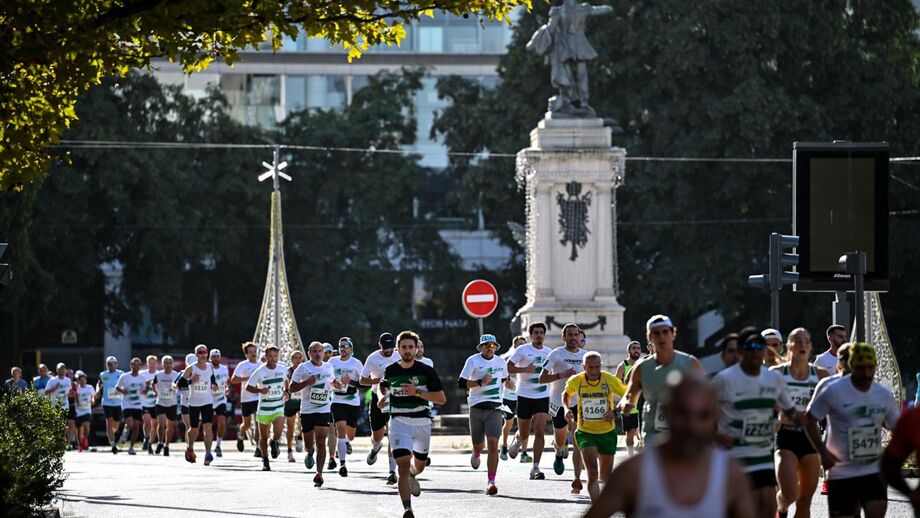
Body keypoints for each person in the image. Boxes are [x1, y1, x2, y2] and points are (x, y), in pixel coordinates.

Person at [584, 374, 754, 518]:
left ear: (716, 417)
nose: (692, 425)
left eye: (703, 415)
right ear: (666, 412)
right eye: (683, 413)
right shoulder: (633, 472)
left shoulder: (730, 475)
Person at [805, 343, 900, 518]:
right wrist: (823, 453)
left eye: (870, 368)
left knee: (877, 510)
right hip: (841, 470)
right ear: (850, 366)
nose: (866, 373)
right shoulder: (832, 389)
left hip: (872, 469)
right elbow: (809, 420)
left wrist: (892, 455)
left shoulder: (883, 394)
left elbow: (896, 427)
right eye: (860, 368)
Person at [713, 333, 798, 518]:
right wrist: (715, 436)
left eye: (760, 347)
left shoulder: (773, 378)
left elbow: (790, 411)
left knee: (767, 509)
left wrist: (789, 418)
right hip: (734, 458)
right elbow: (700, 412)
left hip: (762, 457)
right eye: (751, 348)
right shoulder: (723, 379)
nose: (756, 352)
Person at [379, 331, 445, 518]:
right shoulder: (391, 370)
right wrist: (383, 397)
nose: (407, 350)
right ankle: (407, 508)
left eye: (410, 347)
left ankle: (413, 474)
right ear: (398, 349)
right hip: (398, 422)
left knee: (419, 466)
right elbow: (383, 385)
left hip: (421, 422)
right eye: (404, 347)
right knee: (402, 465)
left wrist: (416, 392)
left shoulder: (426, 371)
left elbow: (441, 398)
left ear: (416, 349)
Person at [770, 328, 829, 518]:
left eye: (806, 341)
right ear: (789, 346)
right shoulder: (777, 373)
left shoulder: (820, 374)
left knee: (804, 501)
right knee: (790, 493)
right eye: (797, 340)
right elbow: (767, 404)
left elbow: (830, 406)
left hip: (810, 438)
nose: (802, 344)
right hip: (786, 436)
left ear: (811, 347)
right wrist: (777, 415)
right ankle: (781, 508)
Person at [618, 314, 702, 445]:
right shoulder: (641, 367)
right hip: (653, 435)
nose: (661, 337)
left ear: (673, 334)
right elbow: (629, 396)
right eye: (656, 333)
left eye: (665, 332)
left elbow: (705, 399)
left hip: (684, 435)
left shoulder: (691, 363)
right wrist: (625, 405)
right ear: (649, 337)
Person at [562, 351, 626, 502]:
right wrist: (566, 409)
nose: (594, 371)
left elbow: (628, 395)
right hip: (585, 433)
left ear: (601, 366)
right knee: (592, 473)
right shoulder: (577, 380)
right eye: (590, 367)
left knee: (605, 476)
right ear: (584, 367)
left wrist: (615, 412)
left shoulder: (609, 379)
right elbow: (566, 394)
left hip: (607, 433)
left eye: (597, 367)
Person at [458, 333, 509, 495]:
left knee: (493, 443)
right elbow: (461, 383)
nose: (490, 348)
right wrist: (480, 382)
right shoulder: (473, 360)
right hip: (476, 408)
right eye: (486, 346)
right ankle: (476, 452)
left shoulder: (501, 362)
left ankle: (491, 481)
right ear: (481, 347)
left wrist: (508, 385)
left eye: (493, 346)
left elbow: (504, 378)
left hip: (495, 408)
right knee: (478, 444)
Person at [540, 323, 587, 488]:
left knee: (578, 439)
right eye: (570, 335)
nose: (573, 338)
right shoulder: (556, 354)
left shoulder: (586, 355)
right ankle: (559, 452)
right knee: (560, 438)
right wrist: (561, 375)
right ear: (564, 337)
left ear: (579, 337)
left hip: (578, 402)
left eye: (576, 335)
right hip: (558, 402)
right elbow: (542, 378)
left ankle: (577, 476)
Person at [507, 321, 552, 480]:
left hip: (542, 396)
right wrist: (525, 369)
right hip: (524, 395)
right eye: (536, 333)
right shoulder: (523, 350)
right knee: (525, 433)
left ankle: (535, 467)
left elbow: (552, 372)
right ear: (530, 335)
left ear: (544, 335)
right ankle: (518, 439)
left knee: (540, 431)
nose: (539, 335)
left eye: (541, 333)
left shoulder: (549, 352)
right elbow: (508, 367)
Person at [290, 341, 337, 486]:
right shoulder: (303, 368)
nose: (318, 354)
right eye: (315, 351)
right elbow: (291, 388)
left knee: (321, 440)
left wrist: (337, 384)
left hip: (323, 408)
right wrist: (307, 382)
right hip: (307, 410)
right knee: (309, 444)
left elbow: (332, 382)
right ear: (309, 353)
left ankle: (319, 473)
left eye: (320, 351)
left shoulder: (329, 367)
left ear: (323, 353)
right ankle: (310, 452)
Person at [360, 332, 400, 484]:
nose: (389, 351)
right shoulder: (373, 358)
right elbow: (362, 380)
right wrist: (378, 381)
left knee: (392, 433)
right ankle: (376, 447)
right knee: (378, 435)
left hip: (394, 398)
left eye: (391, 348)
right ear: (380, 346)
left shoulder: (399, 355)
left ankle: (392, 471)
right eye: (385, 348)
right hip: (377, 397)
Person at [245, 344, 288, 471]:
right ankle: (265, 460)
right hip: (264, 409)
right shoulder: (260, 371)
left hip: (278, 406)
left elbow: (286, 380)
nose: (273, 358)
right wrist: (260, 390)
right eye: (270, 356)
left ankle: (274, 442)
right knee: (263, 437)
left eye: (275, 355)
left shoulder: (282, 368)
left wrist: (286, 391)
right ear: (266, 356)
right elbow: (248, 387)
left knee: (278, 432)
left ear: (278, 356)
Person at [330, 337, 364, 476]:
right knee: (341, 430)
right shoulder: (332, 361)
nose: (342, 349)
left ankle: (346, 443)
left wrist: (351, 382)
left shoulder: (356, 363)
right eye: (340, 346)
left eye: (345, 346)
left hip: (352, 402)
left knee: (350, 435)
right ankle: (342, 464)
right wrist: (334, 383)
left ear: (351, 348)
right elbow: (327, 378)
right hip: (337, 401)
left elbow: (364, 383)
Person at [181, 344, 217, 465]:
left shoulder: (210, 366)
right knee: (194, 429)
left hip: (207, 401)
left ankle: (208, 453)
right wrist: (191, 381)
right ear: (196, 354)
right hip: (194, 403)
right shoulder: (191, 368)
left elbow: (212, 377)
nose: (203, 354)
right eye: (200, 352)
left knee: (208, 427)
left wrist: (214, 384)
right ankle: (190, 446)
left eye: (204, 352)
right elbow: (180, 384)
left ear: (207, 354)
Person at [880, 406, 920, 514]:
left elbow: (889, 465)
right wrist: (910, 493)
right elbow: (889, 465)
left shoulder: (914, 417)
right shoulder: (914, 418)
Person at [231, 341, 262, 456]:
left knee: (259, 423)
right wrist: (247, 378)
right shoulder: (243, 365)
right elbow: (233, 380)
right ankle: (241, 435)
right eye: (250, 352)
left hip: (259, 397)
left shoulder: (261, 365)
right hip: (247, 398)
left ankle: (258, 448)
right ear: (246, 354)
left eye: (254, 351)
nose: (253, 353)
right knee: (247, 424)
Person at [499, 335, 526, 461]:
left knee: (524, 426)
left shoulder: (528, 360)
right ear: (514, 345)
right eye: (520, 344)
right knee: (508, 423)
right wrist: (505, 380)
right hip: (508, 398)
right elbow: (499, 375)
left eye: (524, 345)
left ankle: (524, 453)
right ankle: (504, 446)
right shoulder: (506, 359)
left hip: (523, 396)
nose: (522, 347)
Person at [615, 341, 642, 456]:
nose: (636, 350)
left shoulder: (643, 364)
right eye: (634, 348)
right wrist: (625, 398)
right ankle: (631, 455)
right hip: (629, 406)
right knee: (630, 433)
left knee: (642, 433)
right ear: (628, 351)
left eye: (638, 348)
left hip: (642, 404)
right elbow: (616, 385)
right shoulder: (623, 366)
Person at [116, 358, 147, 455]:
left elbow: (145, 391)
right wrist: (123, 391)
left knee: (136, 427)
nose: (136, 367)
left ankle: (131, 447)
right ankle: (124, 433)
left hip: (138, 405)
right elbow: (117, 387)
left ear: (140, 366)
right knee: (130, 424)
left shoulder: (142, 378)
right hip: (127, 404)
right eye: (134, 364)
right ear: (131, 365)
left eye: (138, 365)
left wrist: (146, 389)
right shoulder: (124, 376)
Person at [96, 356, 124, 454]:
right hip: (107, 402)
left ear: (116, 364)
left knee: (116, 424)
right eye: (108, 364)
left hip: (118, 402)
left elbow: (125, 384)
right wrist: (98, 391)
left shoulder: (121, 374)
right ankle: (113, 444)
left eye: (112, 364)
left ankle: (111, 433)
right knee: (109, 421)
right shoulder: (103, 374)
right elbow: (99, 384)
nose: (111, 366)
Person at [151, 355, 178, 456]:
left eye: (169, 363)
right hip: (161, 402)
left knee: (170, 426)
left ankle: (167, 446)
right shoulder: (158, 375)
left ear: (172, 364)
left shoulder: (176, 375)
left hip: (172, 403)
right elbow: (153, 384)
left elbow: (179, 385)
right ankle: (160, 442)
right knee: (161, 424)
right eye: (165, 363)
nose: (167, 365)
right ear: (162, 364)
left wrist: (175, 388)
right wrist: (155, 392)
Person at [284, 350, 305, 463]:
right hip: (291, 402)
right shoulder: (288, 371)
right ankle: (289, 450)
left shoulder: (305, 369)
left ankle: (300, 437)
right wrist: (286, 390)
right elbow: (285, 383)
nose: (298, 360)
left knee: (304, 424)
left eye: (300, 357)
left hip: (302, 400)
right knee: (290, 427)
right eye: (295, 358)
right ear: (292, 360)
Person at [44, 363, 74, 444]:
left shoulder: (68, 380)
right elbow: (46, 392)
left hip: (65, 406)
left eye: (64, 368)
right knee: (58, 424)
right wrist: (54, 388)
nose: (62, 370)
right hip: (55, 406)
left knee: (66, 424)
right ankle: (58, 442)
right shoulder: (53, 380)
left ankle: (66, 443)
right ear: (57, 370)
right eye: (60, 368)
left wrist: (72, 394)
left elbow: (69, 393)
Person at [209, 349, 230, 457]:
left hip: (221, 399)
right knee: (207, 424)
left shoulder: (224, 369)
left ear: (220, 358)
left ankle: (218, 445)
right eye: (214, 357)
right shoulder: (207, 368)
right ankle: (208, 446)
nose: (216, 358)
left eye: (217, 356)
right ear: (210, 358)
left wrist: (227, 388)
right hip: (208, 399)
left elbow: (227, 381)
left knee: (222, 422)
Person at [140, 355, 158, 455]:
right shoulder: (142, 374)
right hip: (145, 402)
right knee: (147, 421)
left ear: (156, 364)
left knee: (154, 424)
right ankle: (146, 439)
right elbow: (139, 390)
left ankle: (151, 442)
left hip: (155, 402)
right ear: (147, 364)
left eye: (153, 363)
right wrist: (146, 386)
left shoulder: (159, 374)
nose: (152, 365)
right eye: (150, 363)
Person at [74, 371, 94, 452]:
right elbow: (75, 396)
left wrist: (93, 400)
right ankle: (80, 445)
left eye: (84, 380)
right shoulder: (77, 388)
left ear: (86, 380)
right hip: (78, 411)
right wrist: (77, 401)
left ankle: (85, 440)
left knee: (86, 426)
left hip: (87, 410)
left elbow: (93, 396)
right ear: (78, 381)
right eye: (81, 380)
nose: (82, 381)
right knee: (79, 429)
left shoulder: (90, 387)